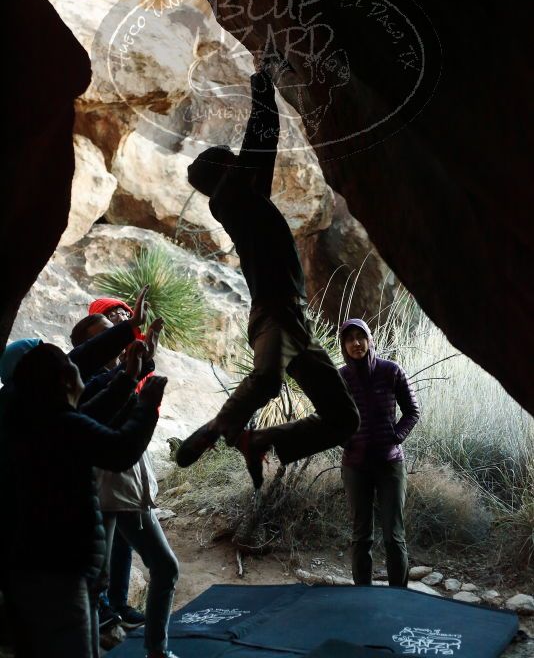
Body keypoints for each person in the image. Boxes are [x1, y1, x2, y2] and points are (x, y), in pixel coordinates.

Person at [177, 64, 360, 488]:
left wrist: (265, 86)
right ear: (225, 169)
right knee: (267, 379)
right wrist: (262, 80)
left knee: (345, 418)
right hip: (274, 314)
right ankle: (215, 430)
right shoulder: (229, 199)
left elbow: (264, 144)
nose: (240, 161)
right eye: (231, 160)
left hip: (295, 322)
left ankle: (260, 439)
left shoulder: (245, 198)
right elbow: (261, 142)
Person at [1, 340, 167, 658]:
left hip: (31, 566)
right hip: (56, 569)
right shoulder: (60, 425)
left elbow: (91, 416)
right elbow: (119, 450)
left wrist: (129, 377)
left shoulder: (35, 422)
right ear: (65, 381)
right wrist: (145, 405)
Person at [72, 300, 179, 658]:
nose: (119, 340)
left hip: (132, 492)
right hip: (104, 495)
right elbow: (111, 413)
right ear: (88, 347)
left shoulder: (122, 376)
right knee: (93, 584)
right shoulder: (87, 384)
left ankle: (156, 650)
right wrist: (134, 371)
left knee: (165, 568)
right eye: (107, 336)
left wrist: (141, 360)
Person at [339, 318, 420, 588]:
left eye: (360, 337)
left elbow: (412, 410)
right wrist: (346, 440)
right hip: (355, 466)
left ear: (370, 340)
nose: (356, 343)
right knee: (361, 536)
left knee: (393, 536)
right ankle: (363, 596)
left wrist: (395, 436)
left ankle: (399, 596)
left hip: (390, 465)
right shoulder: (341, 377)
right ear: (344, 345)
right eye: (349, 339)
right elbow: (329, 416)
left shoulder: (391, 371)